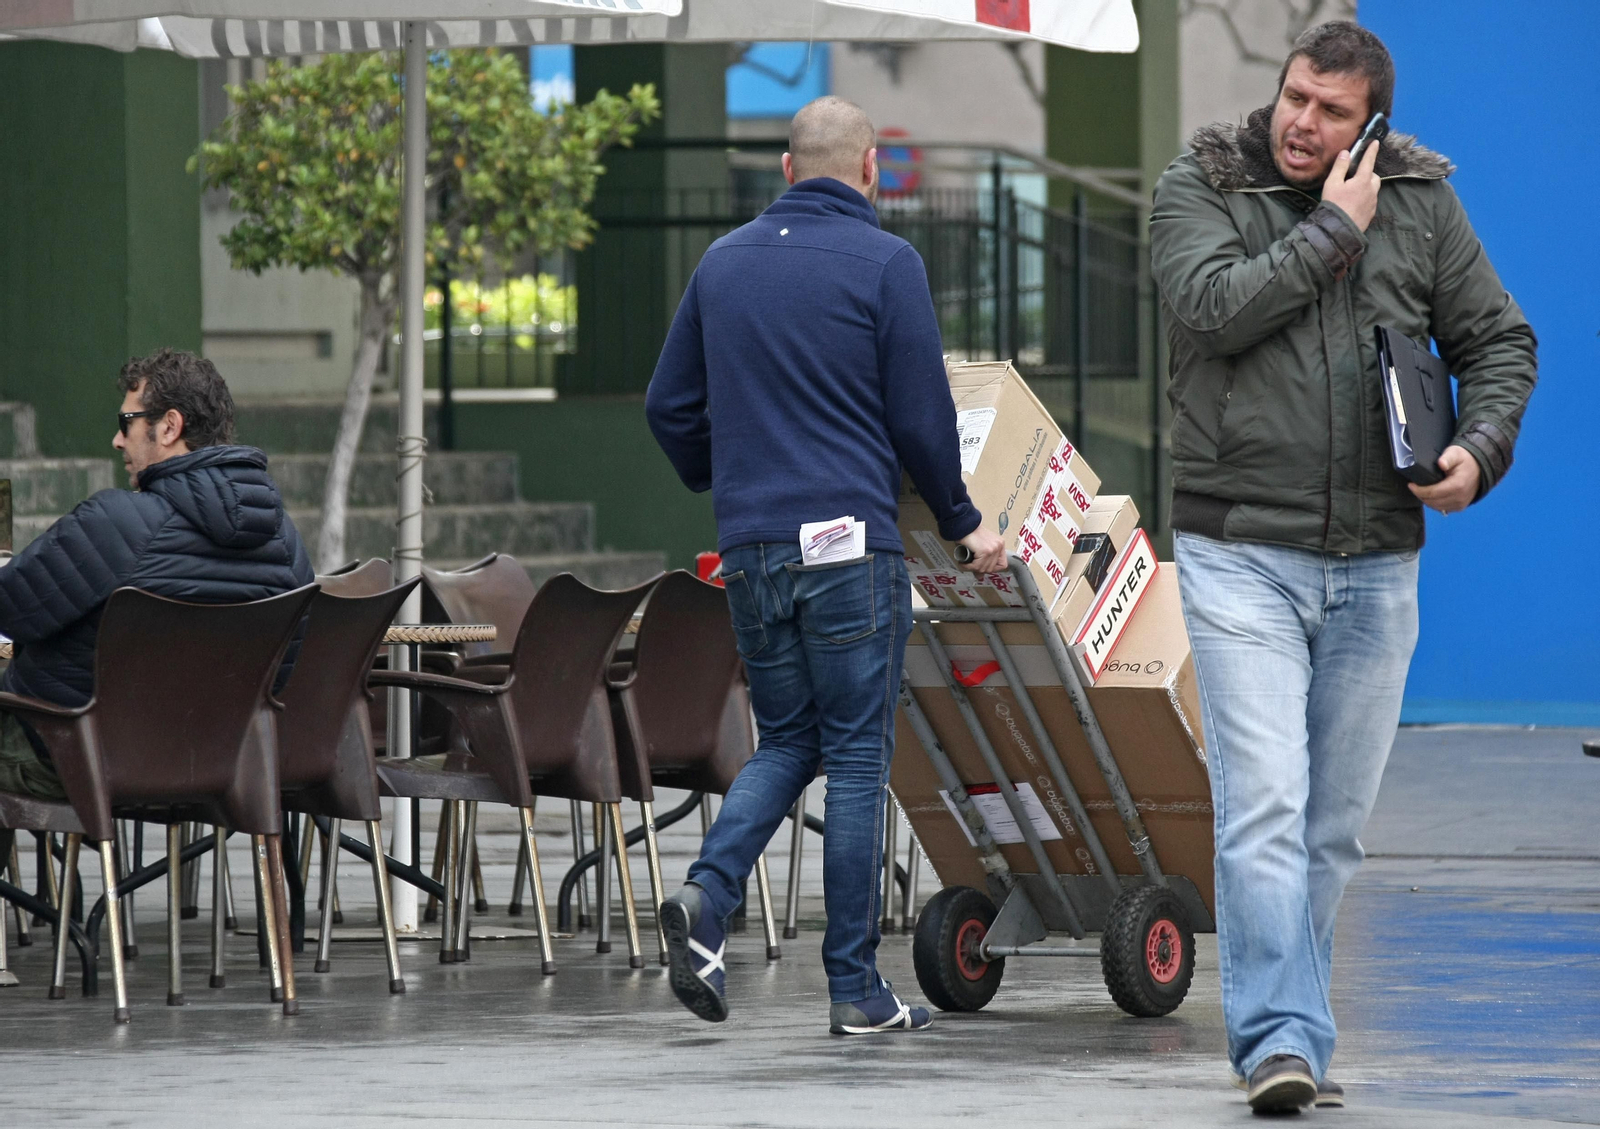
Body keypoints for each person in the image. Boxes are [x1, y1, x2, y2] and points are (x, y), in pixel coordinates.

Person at [1150, 21, 1536, 1113]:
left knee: (1330, 826)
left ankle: (1293, 1037)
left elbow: (1500, 343)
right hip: (1237, 551)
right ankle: (1281, 1038)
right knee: (1264, 804)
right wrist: (1329, 229)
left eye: (1329, 110)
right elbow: (1211, 310)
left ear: (1371, 120)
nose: (1300, 122)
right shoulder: (1200, 185)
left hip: (1376, 560)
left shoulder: (1421, 204)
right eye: (1294, 98)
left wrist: (1477, 451)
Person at [645, 96, 1005, 1035]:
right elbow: (923, 420)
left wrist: (726, 480)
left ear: (786, 167)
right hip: (851, 550)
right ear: (871, 168)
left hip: (755, 551)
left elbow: (668, 406)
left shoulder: (722, 264)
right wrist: (965, 526)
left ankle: (708, 895)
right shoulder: (888, 263)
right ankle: (854, 987)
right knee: (853, 757)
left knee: (788, 740)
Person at [0, 348, 314, 801]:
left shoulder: (116, 523)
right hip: (224, 766)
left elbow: (12, 609)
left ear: (168, 426)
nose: (117, 439)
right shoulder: (285, 541)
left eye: (125, 422)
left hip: (82, 757)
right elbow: (285, 672)